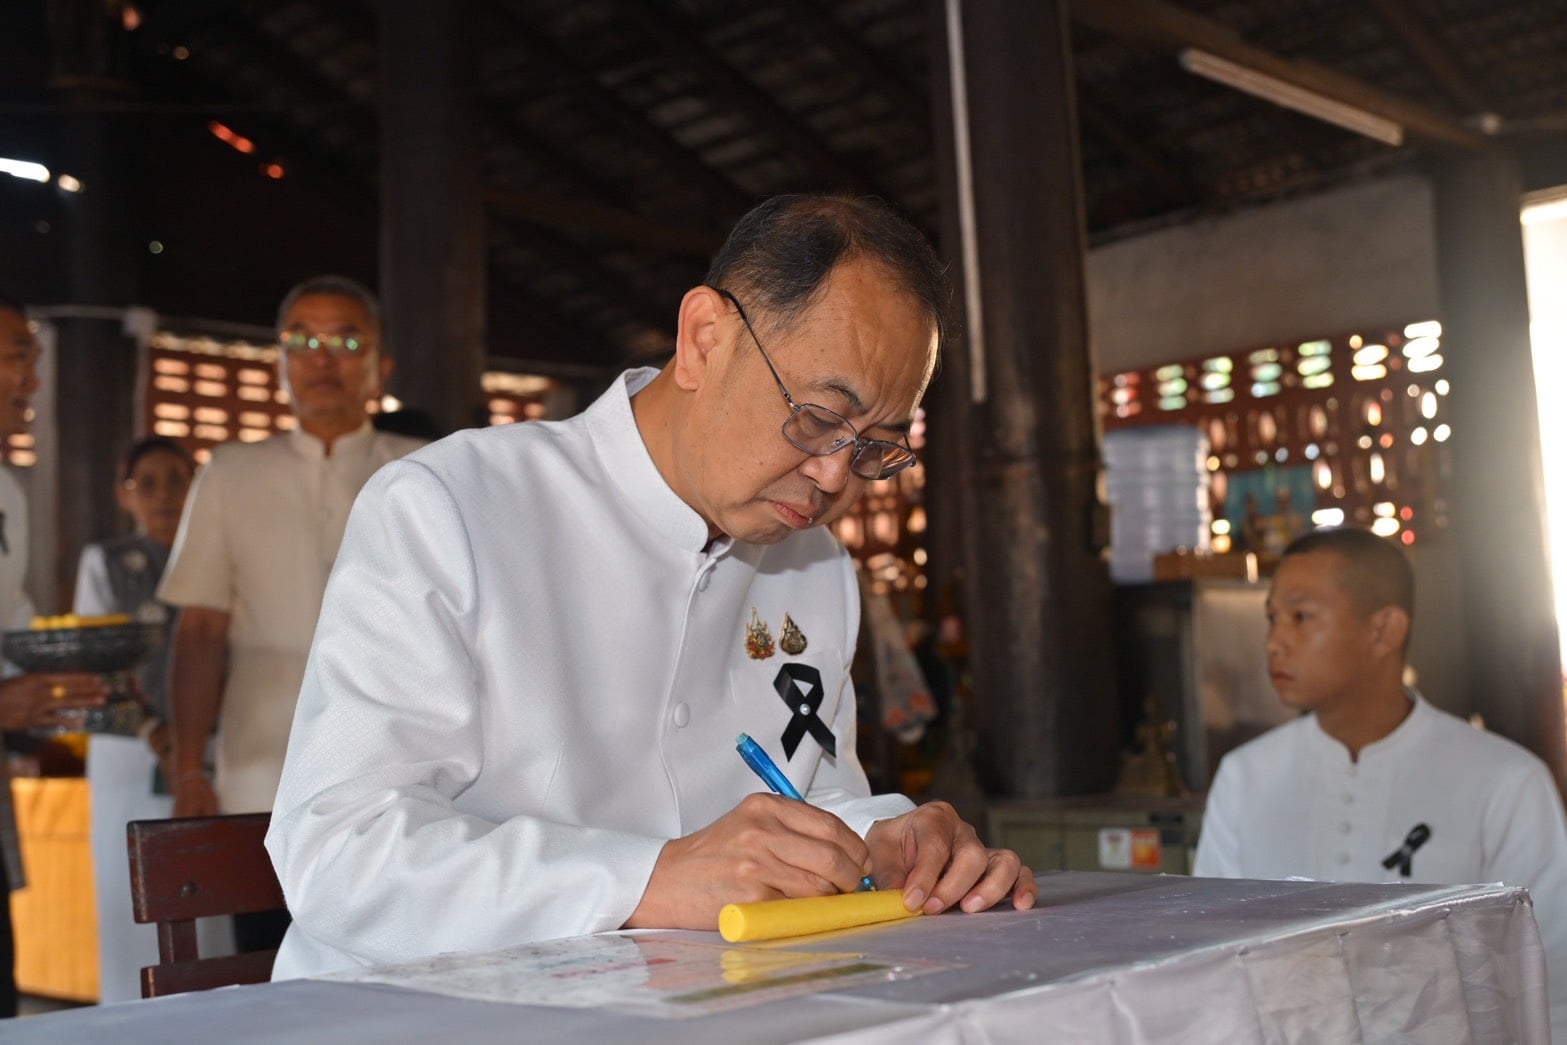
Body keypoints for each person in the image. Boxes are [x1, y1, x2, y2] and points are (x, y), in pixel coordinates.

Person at [265, 194, 1036, 979]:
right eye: (814, 417)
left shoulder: (815, 564)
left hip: (684, 1002)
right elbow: (338, 852)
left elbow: (812, 793)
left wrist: (886, 840)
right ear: (704, 338)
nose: (834, 476)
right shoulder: (451, 508)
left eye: (875, 448)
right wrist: (646, 879)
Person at [1194, 526, 1567, 1035]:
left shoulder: (1505, 780)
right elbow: (1209, 959)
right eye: (1272, 618)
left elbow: (1552, 971)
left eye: (1302, 617)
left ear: (1384, 630)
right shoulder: (1246, 777)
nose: (1274, 642)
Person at [158, 275, 424, 954]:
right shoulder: (229, 471)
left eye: (347, 341)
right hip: (258, 774)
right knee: (264, 962)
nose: (322, 358)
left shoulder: (423, 469)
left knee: (392, 964)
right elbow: (201, 630)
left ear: (381, 367)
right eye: (302, 340)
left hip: (403, 774)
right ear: (279, 364)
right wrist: (190, 769)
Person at [74, 436, 233, 1003]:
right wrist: (155, 732)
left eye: (177, 480)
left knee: (209, 901)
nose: (165, 495)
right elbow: (95, 665)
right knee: (133, 898)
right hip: (128, 754)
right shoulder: (107, 563)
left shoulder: (220, 557)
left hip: (210, 754)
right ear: (125, 495)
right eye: (148, 483)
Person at [0, 295, 109, 1017]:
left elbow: (11, 627)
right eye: (19, 356)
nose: (34, 381)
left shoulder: (7, 494)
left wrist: (52, 681)